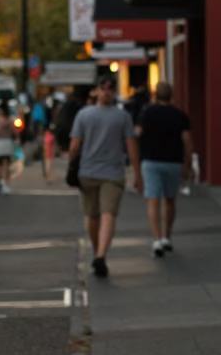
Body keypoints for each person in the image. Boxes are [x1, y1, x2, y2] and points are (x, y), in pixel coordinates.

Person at [68, 77, 142, 278]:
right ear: (96, 91)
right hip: (111, 173)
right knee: (106, 214)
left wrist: (71, 165)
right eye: (104, 88)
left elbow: (74, 145)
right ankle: (100, 253)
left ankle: (99, 253)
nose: (107, 92)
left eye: (110, 88)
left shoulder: (83, 115)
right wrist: (138, 173)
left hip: (90, 172)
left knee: (93, 215)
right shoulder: (123, 117)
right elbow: (131, 145)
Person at [136, 82, 192, 257]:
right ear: (172, 95)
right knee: (170, 200)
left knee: (153, 200)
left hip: (151, 161)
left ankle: (156, 239)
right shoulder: (180, 116)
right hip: (173, 162)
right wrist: (187, 164)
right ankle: (167, 236)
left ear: (155, 95)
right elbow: (187, 142)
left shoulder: (147, 113)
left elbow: (137, 133)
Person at [0, 101, 17, 195]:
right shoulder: (9, 119)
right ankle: (4, 183)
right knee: (5, 163)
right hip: (6, 141)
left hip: (0, 142)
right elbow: (14, 130)